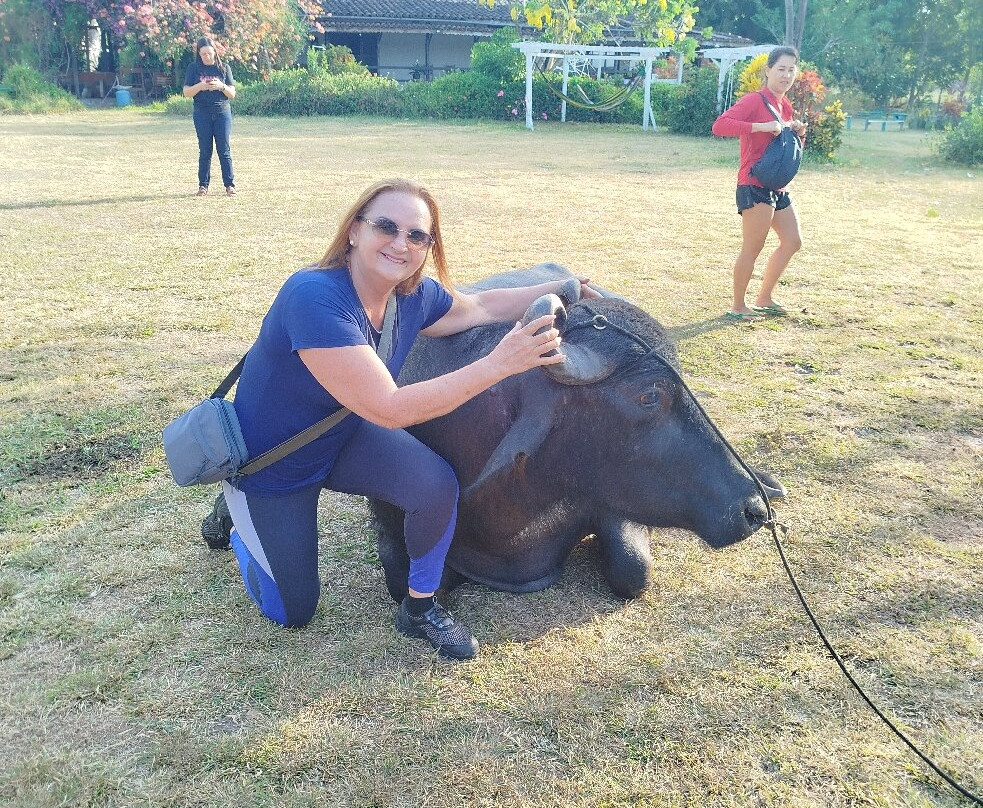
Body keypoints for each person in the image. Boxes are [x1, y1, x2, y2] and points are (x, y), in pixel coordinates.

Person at [210, 178, 599, 660]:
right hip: (274, 463)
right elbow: (388, 408)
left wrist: (564, 288)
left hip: (343, 436)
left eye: (417, 235)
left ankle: (419, 609)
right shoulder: (312, 296)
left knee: (434, 484)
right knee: (292, 610)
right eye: (386, 227)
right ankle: (237, 517)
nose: (401, 243)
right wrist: (500, 362)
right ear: (354, 230)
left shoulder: (411, 296)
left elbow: (480, 306)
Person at [711, 46, 807, 321]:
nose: (786, 75)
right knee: (753, 248)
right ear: (768, 70)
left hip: (777, 186)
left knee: (792, 241)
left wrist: (799, 134)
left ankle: (764, 298)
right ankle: (738, 306)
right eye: (781, 69)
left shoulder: (785, 106)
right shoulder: (755, 100)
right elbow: (720, 126)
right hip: (754, 184)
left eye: (791, 70)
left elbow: (786, 150)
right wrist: (761, 127)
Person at [183, 37, 237, 197]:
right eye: (203, 54)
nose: (206, 57)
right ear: (198, 54)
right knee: (205, 150)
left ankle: (229, 185)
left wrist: (221, 86)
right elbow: (186, 92)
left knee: (224, 150)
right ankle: (203, 186)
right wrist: (201, 86)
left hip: (222, 113)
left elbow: (232, 94)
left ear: (215, 52)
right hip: (202, 113)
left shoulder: (224, 68)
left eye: (209, 53)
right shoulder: (193, 68)